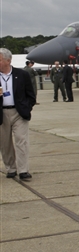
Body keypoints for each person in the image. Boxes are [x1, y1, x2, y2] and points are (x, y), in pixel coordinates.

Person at [0, 48, 37, 180]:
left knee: (21, 141)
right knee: (5, 143)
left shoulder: (22, 74)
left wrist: (26, 108)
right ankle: (10, 168)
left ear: (8, 60)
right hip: (1, 114)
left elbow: (31, 96)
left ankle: (23, 170)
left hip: (19, 113)